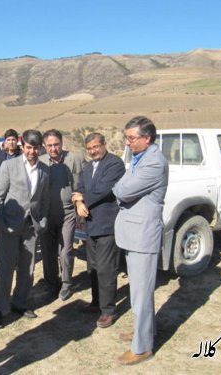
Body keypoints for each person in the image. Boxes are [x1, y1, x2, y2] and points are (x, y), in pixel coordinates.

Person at [112, 116, 169, 365]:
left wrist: (120, 188)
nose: (128, 142)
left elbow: (122, 190)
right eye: (127, 137)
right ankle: (144, 331)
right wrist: (121, 187)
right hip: (134, 234)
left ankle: (142, 347)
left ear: (147, 138)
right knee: (140, 291)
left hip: (142, 235)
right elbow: (123, 186)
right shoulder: (141, 158)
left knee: (141, 293)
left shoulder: (153, 162)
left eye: (132, 138)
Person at [0, 129, 50, 327]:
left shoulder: (44, 170)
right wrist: (0, 223)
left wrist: (42, 221)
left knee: (28, 268)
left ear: (41, 148)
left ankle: (20, 302)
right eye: (29, 147)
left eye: (36, 148)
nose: (32, 151)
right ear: (22, 146)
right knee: (5, 269)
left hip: (31, 227)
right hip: (9, 226)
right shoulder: (8, 166)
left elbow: (44, 199)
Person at [71, 133, 125, 328]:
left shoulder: (114, 164)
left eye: (96, 147)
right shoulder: (87, 167)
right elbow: (80, 187)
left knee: (106, 269)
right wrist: (77, 200)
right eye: (90, 148)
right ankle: (96, 302)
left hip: (107, 225)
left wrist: (81, 199)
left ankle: (108, 310)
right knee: (92, 267)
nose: (93, 151)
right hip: (90, 225)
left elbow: (103, 189)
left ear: (104, 144)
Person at [39, 129, 84, 300]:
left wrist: (80, 205)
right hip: (46, 214)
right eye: (49, 145)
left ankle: (66, 283)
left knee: (66, 250)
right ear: (44, 146)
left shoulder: (75, 158)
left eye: (56, 144)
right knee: (48, 251)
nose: (53, 148)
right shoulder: (40, 162)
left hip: (68, 214)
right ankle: (52, 282)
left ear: (61, 143)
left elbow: (83, 183)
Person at [0, 129, 21, 258]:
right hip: (0, 193)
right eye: (9, 140)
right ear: (5, 141)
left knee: (15, 220)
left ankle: (15, 250)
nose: (11, 142)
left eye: (13, 140)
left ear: (17, 141)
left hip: (15, 193)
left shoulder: (21, 156)